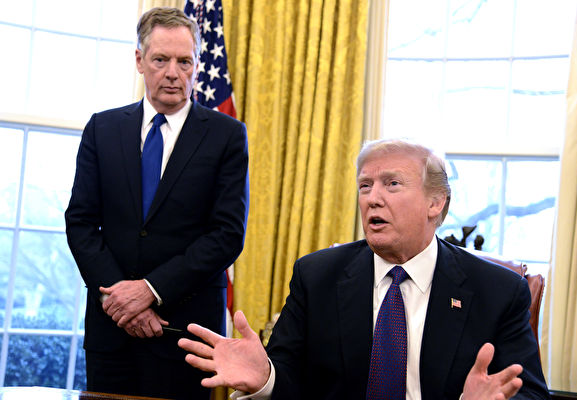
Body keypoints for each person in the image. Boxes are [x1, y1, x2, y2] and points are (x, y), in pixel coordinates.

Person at [178, 138, 550, 399]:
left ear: (436, 202)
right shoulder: (317, 276)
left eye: (392, 184)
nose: (373, 198)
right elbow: (291, 380)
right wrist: (266, 380)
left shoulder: (497, 291)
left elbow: (530, 393)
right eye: (365, 186)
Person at [65, 7, 249, 400]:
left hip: (185, 336)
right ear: (139, 60)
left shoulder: (227, 135)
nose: (173, 73)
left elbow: (227, 234)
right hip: (111, 331)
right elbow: (81, 223)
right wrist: (119, 300)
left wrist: (150, 290)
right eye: (160, 60)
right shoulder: (102, 128)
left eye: (185, 62)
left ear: (197, 65)